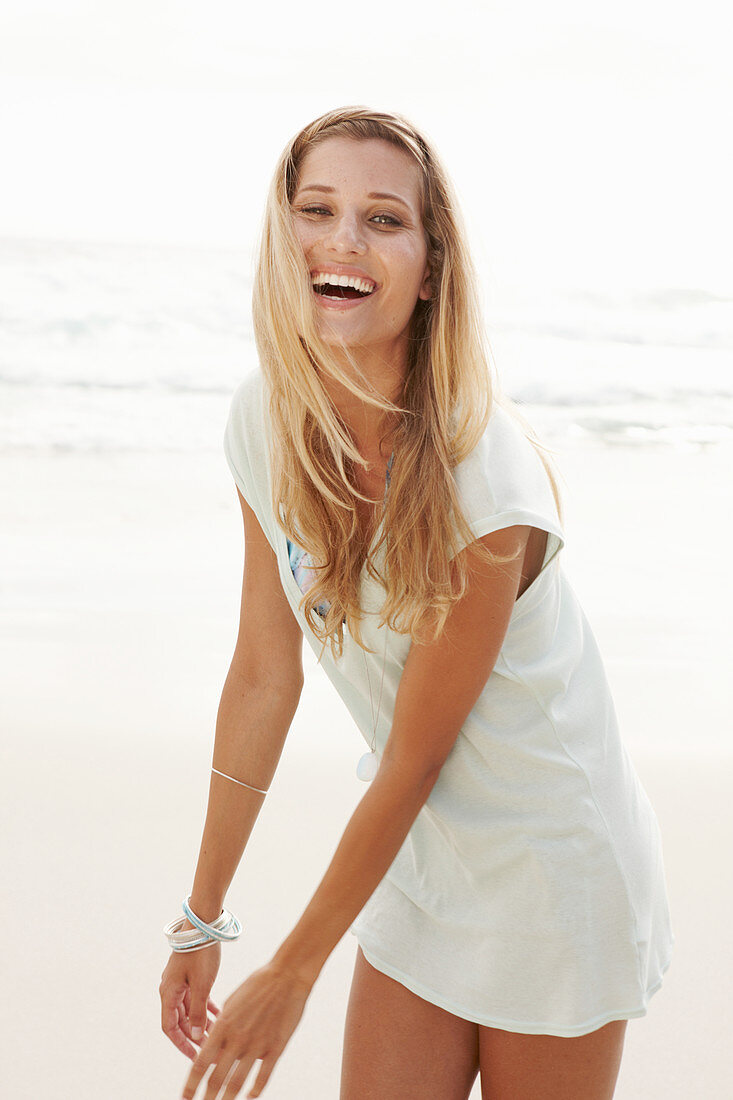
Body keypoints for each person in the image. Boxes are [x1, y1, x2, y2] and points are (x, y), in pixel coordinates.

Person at [159, 106, 674, 1100]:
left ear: (431, 266)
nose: (343, 239)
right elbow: (264, 676)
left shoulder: (486, 475)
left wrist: (293, 970)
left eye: (383, 219)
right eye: (317, 209)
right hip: (423, 854)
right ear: (284, 237)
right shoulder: (262, 417)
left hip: (552, 868)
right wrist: (205, 913)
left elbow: (414, 752)